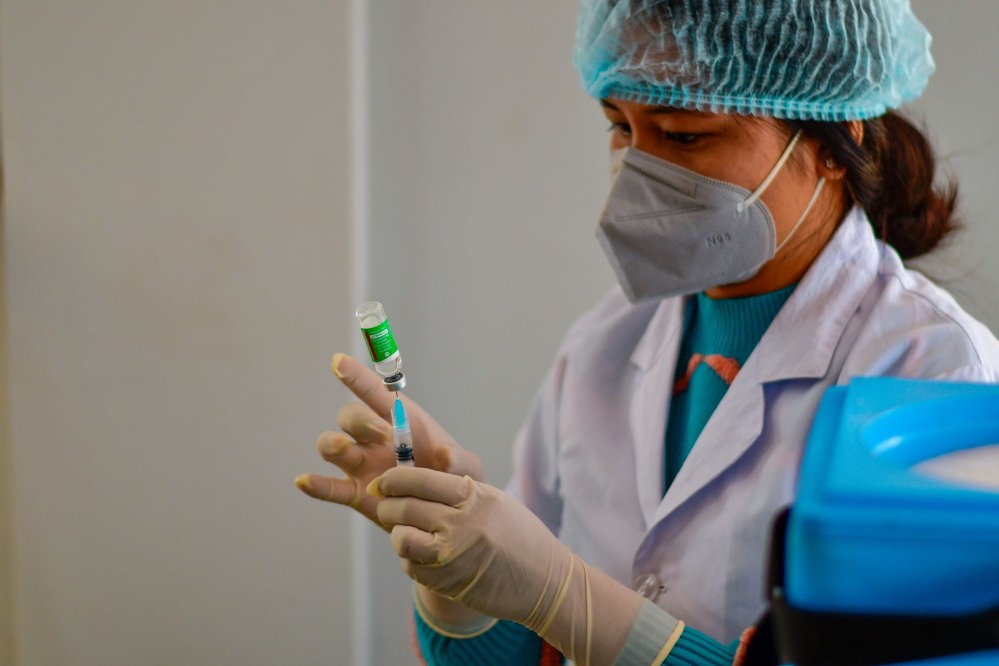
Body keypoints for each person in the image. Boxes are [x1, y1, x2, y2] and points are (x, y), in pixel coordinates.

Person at [296, 1, 999, 664]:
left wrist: (568, 597)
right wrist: (459, 591)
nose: (639, 171)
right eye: (621, 128)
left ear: (833, 139)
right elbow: (527, 648)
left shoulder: (936, 368)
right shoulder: (607, 341)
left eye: (684, 133)